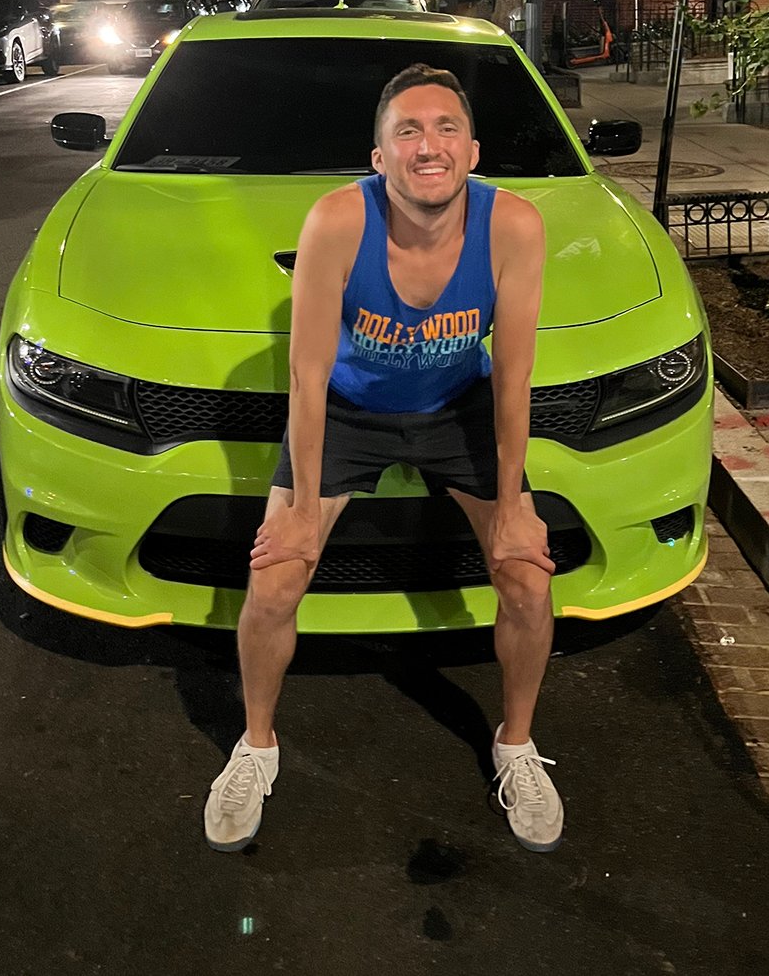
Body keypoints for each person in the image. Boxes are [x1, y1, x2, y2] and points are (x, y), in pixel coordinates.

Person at [204, 63, 560, 853]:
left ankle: (517, 744)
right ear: (379, 158)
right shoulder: (337, 221)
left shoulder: (514, 227)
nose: (426, 145)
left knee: (529, 578)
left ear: (472, 150)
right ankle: (256, 746)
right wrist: (298, 514)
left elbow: (516, 372)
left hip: (454, 409)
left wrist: (511, 505)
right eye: (407, 130)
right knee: (271, 583)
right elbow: (305, 372)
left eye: (443, 129)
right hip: (349, 411)